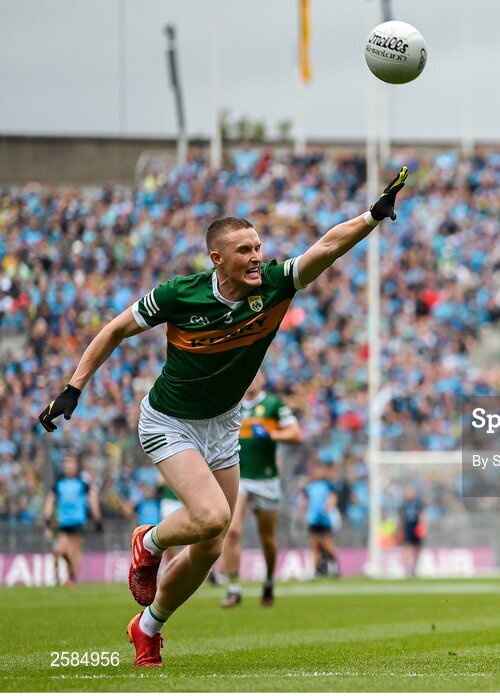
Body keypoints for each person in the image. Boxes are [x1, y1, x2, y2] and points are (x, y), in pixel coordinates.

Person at [38, 168, 409, 667]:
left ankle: (148, 627)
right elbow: (114, 330)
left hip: (222, 425)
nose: (257, 257)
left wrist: (371, 217)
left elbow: (326, 247)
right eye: (244, 251)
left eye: (258, 247)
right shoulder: (180, 294)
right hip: (169, 421)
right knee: (212, 517)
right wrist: (73, 387)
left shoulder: (275, 284)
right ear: (218, 259)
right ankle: (147, 541)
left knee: (211, 547)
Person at [221, 372, 302, 608]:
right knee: (233, 530)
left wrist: (271, 434)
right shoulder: (231, 404)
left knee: (267, 537)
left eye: (255, 375)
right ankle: (234, 587)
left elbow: (296, 434)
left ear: (263, 379)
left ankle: (268, 581)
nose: (251, 379)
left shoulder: (273, 404)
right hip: (239, 477)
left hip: (266, 478)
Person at [42, 455, 101, 588]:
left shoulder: (82, 483)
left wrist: (97, 517)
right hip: (63, 522)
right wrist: (47, 518)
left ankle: (72, 577)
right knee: (62, 550)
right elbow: (50, 500)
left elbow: (92, 498)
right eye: (67, 464)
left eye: (72, 464)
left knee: (74, 550)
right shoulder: (58, 484)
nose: (70, 467)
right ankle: (70, 574)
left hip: (78, 521)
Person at [302, 463, 339, 578]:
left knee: (327, 544)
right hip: (313, 519)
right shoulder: (310, 486)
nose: (318, 472)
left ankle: (334, 565)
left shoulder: (328, 485)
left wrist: (328, 507)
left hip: (324, 519)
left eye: (320, 470)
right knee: (314, 545)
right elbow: (306, 501)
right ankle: (316, 569)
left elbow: (333, 498)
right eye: (316, 470)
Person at [398, 484, 426, 578]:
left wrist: (422, 527)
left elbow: (421, 516)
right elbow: (401, 518)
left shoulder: (418, 504)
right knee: (407, 548)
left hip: (416, 527)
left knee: (417, 548)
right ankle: (407, 569)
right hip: (407, 528)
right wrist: (400, 530)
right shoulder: (403, 505)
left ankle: (414, 569)